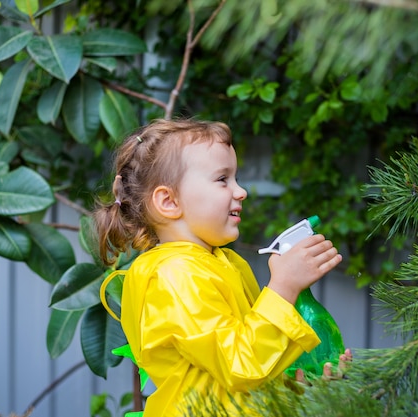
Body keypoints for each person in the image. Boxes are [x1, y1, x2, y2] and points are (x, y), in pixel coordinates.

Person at [94, 118, 350, 416]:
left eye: (236, 178)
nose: (241, 191)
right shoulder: (174, 276)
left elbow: (241, 378)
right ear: (168, 201)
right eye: (222, 179)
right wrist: (283, 287)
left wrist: (300, 388)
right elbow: (240, 366)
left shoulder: (225, 262)